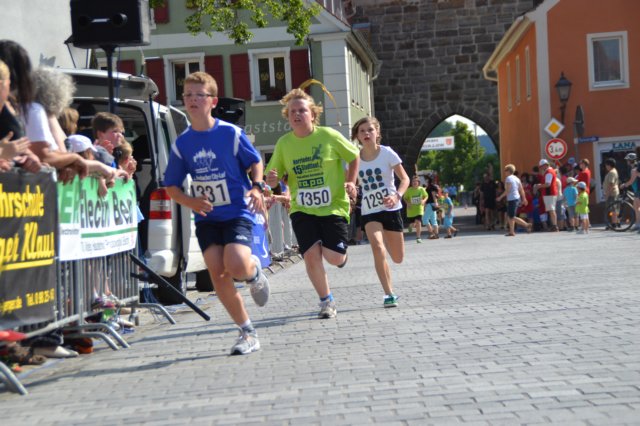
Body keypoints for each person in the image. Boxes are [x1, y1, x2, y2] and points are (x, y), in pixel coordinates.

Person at [163, 71, 270, 355]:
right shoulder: (182, 143)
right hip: (208, 217)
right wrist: (191, 202)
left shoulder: (230, 133)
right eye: (187, 95)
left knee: (236, 264)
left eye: (199, 95)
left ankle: (253, 272)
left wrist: (257, 187)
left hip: (237, 211)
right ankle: (247, 332)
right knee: (217, 272)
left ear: (213, 101)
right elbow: (171, 186)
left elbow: (255, 161)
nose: (192, 100)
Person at [266, 88, 359, 319]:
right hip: (302, 208)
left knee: (334, 258)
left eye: (302, 110)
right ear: (288, 117)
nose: (297, 115)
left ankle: (341, 256)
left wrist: (350, 181)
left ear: (313, 114)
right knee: (310, 255)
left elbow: (354, 156)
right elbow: (273, 176)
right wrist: (272, 180)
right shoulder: (284, 143)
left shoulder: (329, 136)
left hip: (333, 206)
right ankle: (326, 301)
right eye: (292, 112)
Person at [352, 116, 409, 308]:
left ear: (377, 133)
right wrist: (350, 190)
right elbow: (349, 182)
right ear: (357, 136)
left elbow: (405, 179)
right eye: (362, 131)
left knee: (398, 258)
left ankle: (386, 237)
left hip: (391, 208)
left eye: (370, 130)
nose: (366, 133)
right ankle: (389, 294)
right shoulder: (354, 158)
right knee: (377, 247)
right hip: (370, 210)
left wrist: (397, 196)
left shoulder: (387, 153)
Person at [496, 164, 530, 236]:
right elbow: (521, 190)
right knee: (510, 215)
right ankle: (512, 231)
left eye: (505, 170)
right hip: (516, 198)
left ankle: (527, 225)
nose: (505, 172)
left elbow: (507, 191)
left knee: (511, 216)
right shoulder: (517, 178)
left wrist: (500, 197)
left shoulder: (508, 178)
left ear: (508, 171)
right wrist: (524, 199)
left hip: (512, 199)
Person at [533, 159, 559, 232]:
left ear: (545, 165)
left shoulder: (548, 172)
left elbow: (548, 184)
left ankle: (555, 226)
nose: (541, 168)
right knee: (551, 210)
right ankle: (554, 225)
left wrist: (539, 186)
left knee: (551, 210)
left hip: (549, 193)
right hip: (550, 193)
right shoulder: (550, 171)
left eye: (541, 166)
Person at [403, 176, 428, 243]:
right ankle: (410, 227)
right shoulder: (409, 190)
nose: (414, 182)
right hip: (411, 210)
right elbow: (405, 198)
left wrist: (423, 201)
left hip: (419, 208)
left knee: (418, 222)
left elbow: (426, 196)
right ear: (411, 183)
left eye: (416, 181)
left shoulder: (421, 189)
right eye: (413, 181)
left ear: (418, 182)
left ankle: (418, 237)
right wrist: (408, 203)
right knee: (413, 224)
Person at [619, 152, 640, 231]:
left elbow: (631, 181)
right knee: (636, 207)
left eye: (628, 160)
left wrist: (624, 185)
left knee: (637, 207)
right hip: (636, 190)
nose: (627, 161)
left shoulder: (634, 170)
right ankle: (637, 223)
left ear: (631, 160)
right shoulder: (635, 169)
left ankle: (638, 224)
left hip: (638, 190)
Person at [602, 158, 620, 229]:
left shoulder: (612, 172)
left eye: (606, 165)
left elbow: (611, 184)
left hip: (612, 193)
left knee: (613, 209)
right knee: (614, 208)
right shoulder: (613, 171)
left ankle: (614, 224)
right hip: (613, 192)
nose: (606, 166)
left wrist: (607, 194)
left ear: (609, 165)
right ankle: (617, 222)